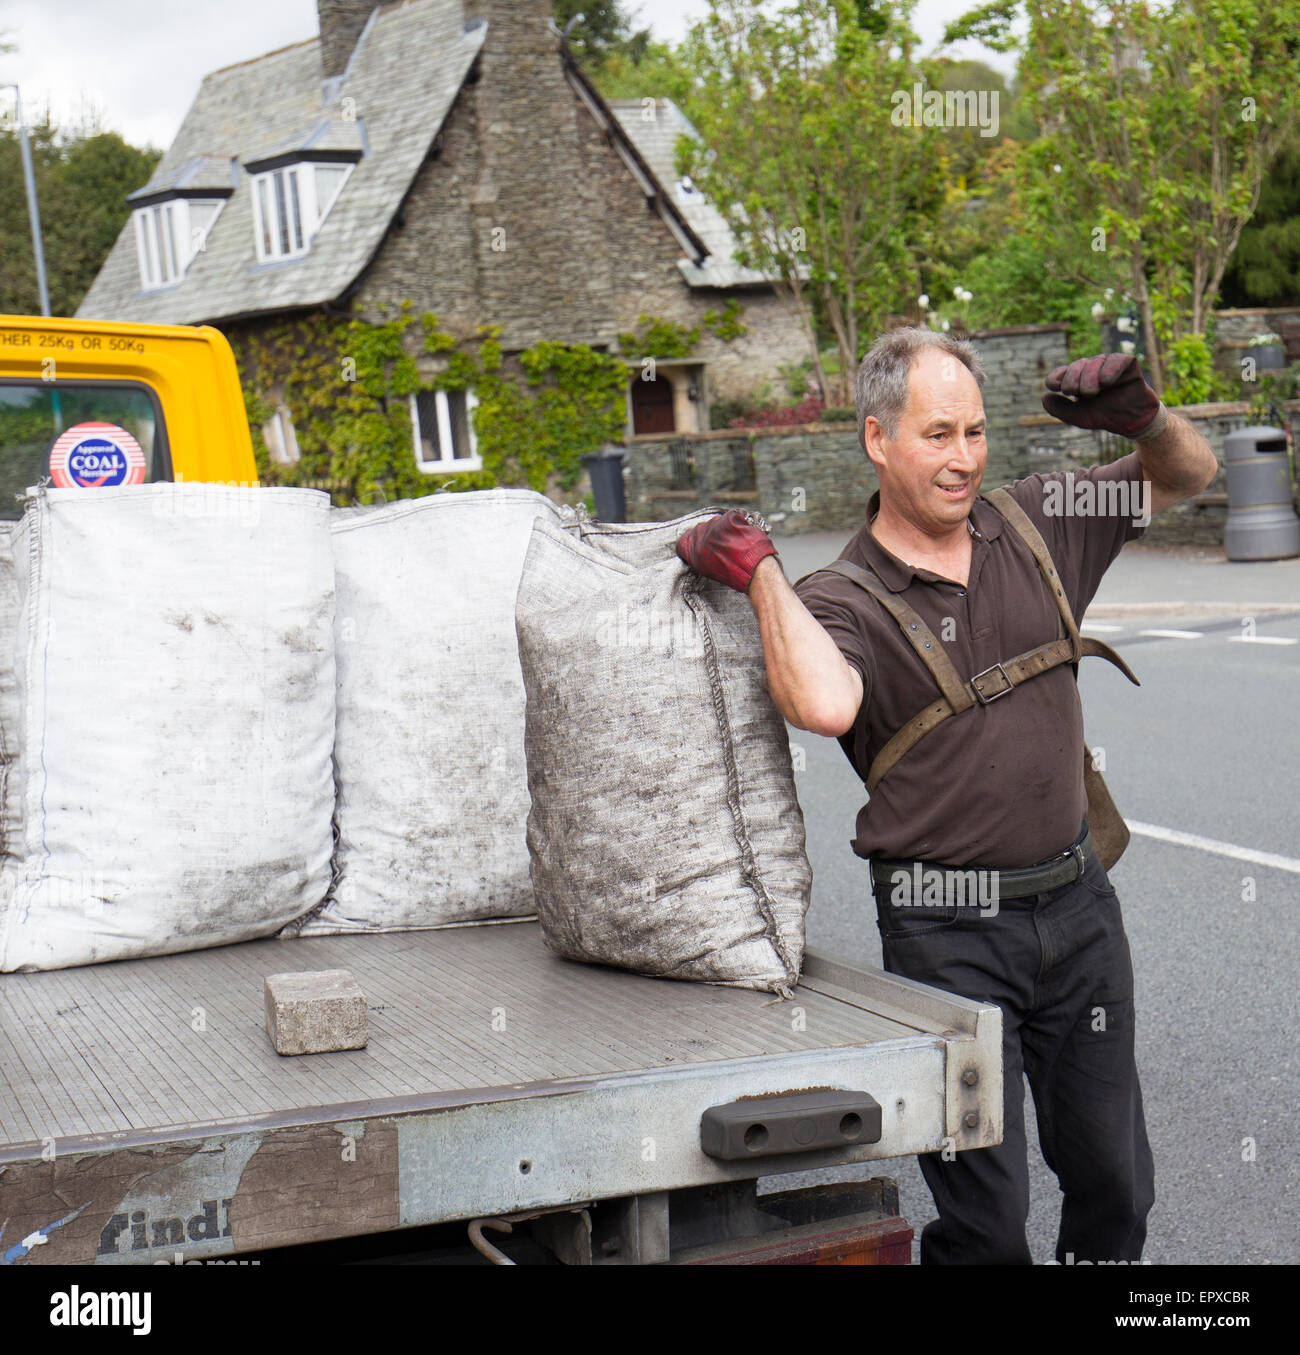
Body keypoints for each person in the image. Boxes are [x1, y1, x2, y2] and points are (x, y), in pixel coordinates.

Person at [674, 328, 1218, 1265]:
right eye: (937, 435)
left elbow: (1189, 476)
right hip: (948, 927)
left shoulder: (1044, 518)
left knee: (1116, 1185)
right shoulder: (837, 596)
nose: (964, 458)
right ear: (877, 439)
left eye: (973, 431)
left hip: (1079, 906)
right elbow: (823, 700)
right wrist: (762, 573)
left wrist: (1149, 422)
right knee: (988, 1224)